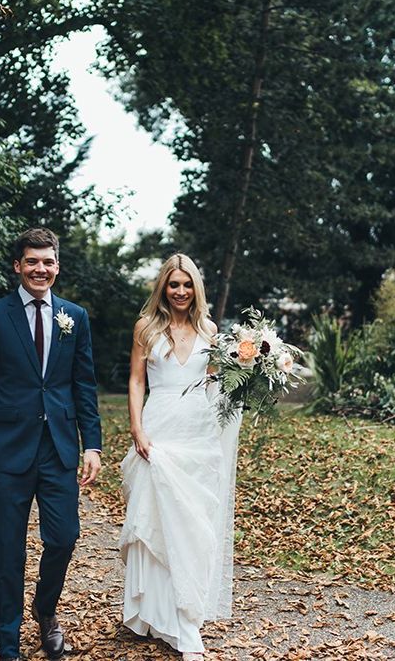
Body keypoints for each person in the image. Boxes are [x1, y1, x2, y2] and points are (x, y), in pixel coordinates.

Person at [0, 227, 102, 661]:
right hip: (5, 452)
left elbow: (84, 385)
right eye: (33, 262)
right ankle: (7, 643)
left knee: (64, 537)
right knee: (8, 550)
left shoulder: (74, 317)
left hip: (58, 449)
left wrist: (91, 444)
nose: (41, 269)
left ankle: (45, 610)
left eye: (48, 262)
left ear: (57, 266)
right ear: (18, 266)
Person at [119, 253, 241, 661]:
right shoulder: (145, 328)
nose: (181, 292)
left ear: (196, 289)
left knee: (192, 524)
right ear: (163, 288)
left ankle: (186, 615)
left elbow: (216, 385)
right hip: (159, 429)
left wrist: (249, 374)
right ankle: (162, 618)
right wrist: (137, 428)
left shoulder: (209, 329)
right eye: (174, 285)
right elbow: (137, 380)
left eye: (187, 285)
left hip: (199, 432)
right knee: (157, 518)